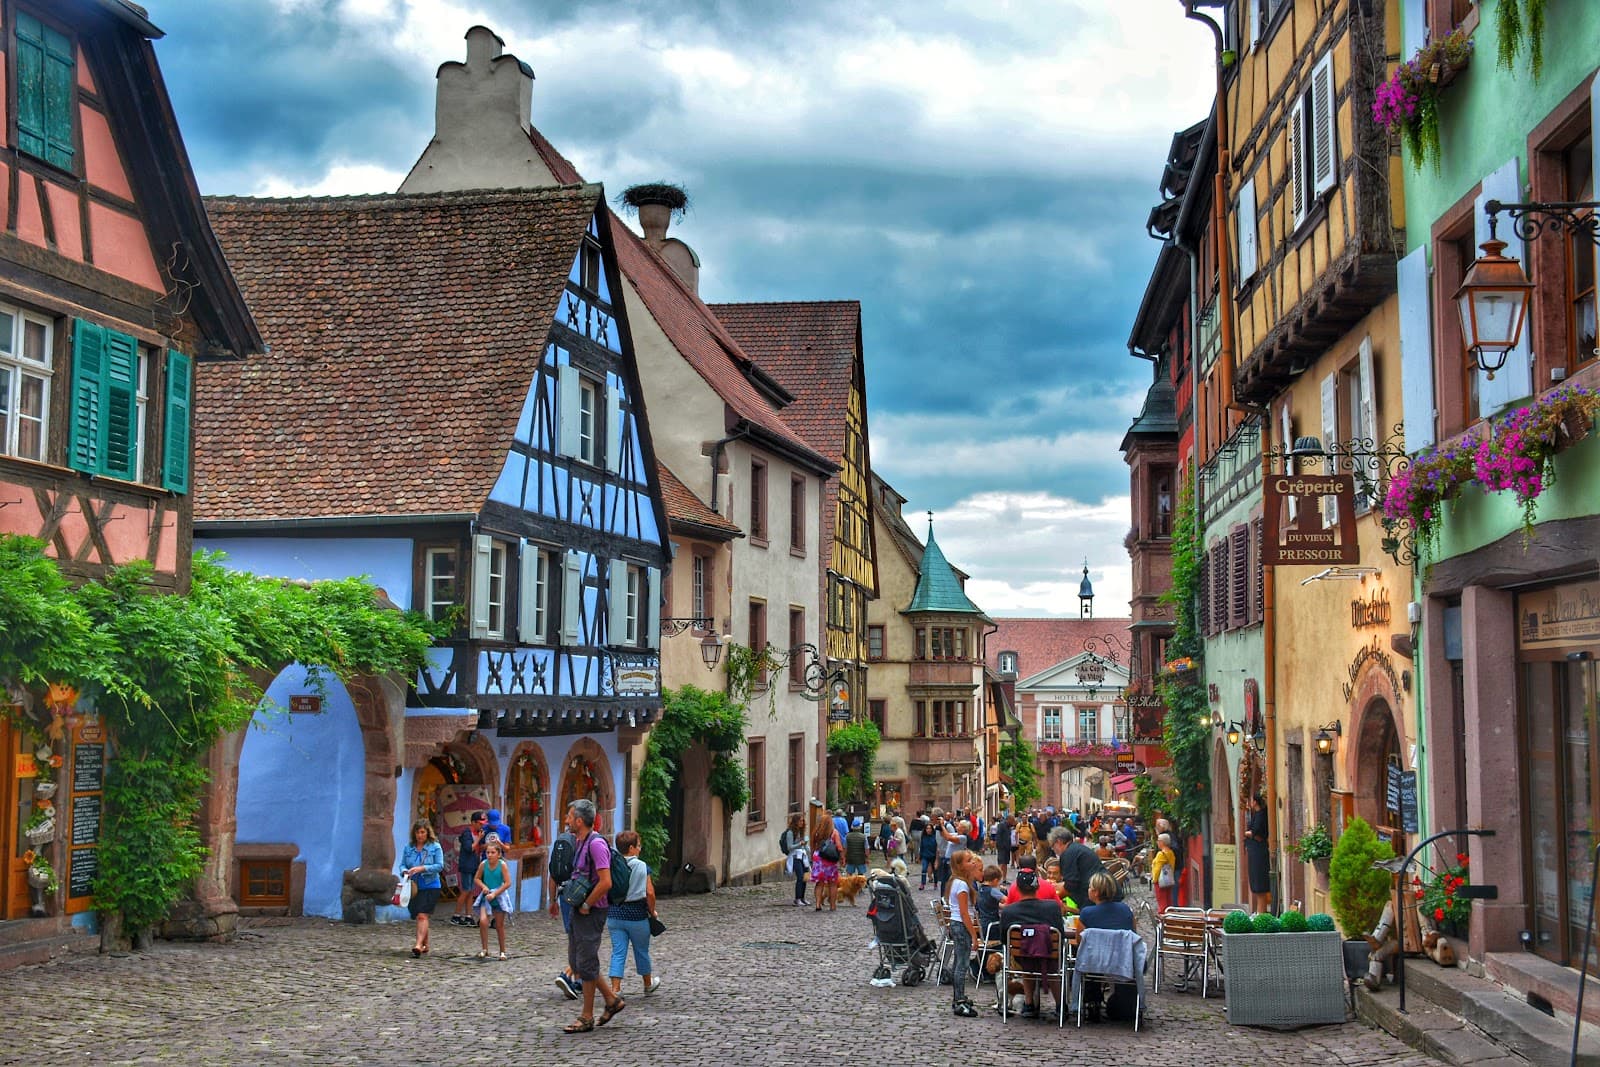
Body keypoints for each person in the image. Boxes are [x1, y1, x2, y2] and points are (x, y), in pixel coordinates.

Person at [560, 799, 626, 1034]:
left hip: (592, 910)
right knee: (579, 962)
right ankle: (611, 1000)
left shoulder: (596, 844)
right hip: (579, 910)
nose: (566, 820)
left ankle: (586, 1017)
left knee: (586, 962)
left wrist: (587, 903)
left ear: (579, 820)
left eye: (569, 816)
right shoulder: (580, 841)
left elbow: (605, 881)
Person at [998, 865, 1068, 1018]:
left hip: (1021, 958)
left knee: (1027, 952)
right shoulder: (1052, 907)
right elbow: (1060, 934)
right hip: (1050, 956)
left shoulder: (1009, 911)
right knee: (1049, 958)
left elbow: (1003, 939)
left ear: (1017, 889)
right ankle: (1060, 1005)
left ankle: (1029, 1003)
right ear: (1037, 887)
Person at [606, 830, 660, 998]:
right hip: (637, 915)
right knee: (641, 951)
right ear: (631, 848)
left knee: (618, 951)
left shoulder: (611, 864)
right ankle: (648, 984)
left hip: (615, 914)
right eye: (638, 846)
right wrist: (652, 911)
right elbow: (650, 893)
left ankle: (615, 989)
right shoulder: (642, 866)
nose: (640, 848)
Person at [400, 819, 444, 958]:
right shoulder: (409, 848)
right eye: (417, 832)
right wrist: (404, 871)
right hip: (413, 887)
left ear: (427, 832)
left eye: (422, 832)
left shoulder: (435, 847)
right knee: (418, 915)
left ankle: (418, 945)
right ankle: (426, 944)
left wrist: (422, 868)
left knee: (422, 915)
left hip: (431, 885)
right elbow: (402, 864)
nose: (420, 835)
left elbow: (439, 866)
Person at [548, 826, 582, 1000]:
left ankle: (578, 979)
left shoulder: (559, 846)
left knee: (573, 936)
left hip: (563, 893)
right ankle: (568, 975)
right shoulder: (582, 845)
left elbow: (553, 875)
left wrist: (552, 900)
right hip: (579, 894)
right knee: (582, 937)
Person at [946, 849, 981, 1017]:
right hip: (961, 925)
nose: (972, 862)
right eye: (968, 861)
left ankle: (958, 997)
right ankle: (959, 1000)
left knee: (959, 963)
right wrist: (974, 934)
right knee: (962, 964)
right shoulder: (961, 885)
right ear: (960, 866)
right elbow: (964, 912)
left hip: (957, 924)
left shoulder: (959, 882)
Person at [474, 835, 512, 959]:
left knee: (499, 925)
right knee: (483, 922)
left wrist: (495, 893)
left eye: (492, 852)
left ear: (498, 854)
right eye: (488, 852)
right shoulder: (483, 865)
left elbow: (507, 883)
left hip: (498, 897)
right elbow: (477, 878)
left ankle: (502, 951)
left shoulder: (502, 865)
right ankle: (484, 949)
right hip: (486, 896)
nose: (489, 855)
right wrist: (484, 887)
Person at [1051, 826, 1107, 905]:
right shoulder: (1077, 848)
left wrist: (1052, 900)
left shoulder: (1068, 853)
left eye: (1053, 846)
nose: (1053, 849)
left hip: (1095, 896)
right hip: (1102, 892)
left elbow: (1070, 885)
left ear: (1058, 842)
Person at [451, 811, 487, 927]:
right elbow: (469, 848)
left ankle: (468, 915)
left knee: (471, 890)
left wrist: (486, 845)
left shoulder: (479, 833)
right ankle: (456, 915)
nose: (482, 825)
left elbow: (478, 848)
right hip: (467, 865)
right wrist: (478, 839)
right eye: (480, 823)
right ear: (473, 822)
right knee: (466, 890)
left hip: (474, 864)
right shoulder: (467, 833)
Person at [811, 807, 843, 911]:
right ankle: (832, 905)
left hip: (818, 857)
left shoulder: (816, 832)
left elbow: (813, 845)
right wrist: (842, 857)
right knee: (832, 883)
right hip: (829, 859)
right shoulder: (834, 832)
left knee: (819, 883)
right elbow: (839, 846)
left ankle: (817, 904)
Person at [1243, 793, 1271, 913]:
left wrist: (1248, 833)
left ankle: (1262, 913)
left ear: (1255, 802)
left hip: (1259, 851)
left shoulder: (1260, 815)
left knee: (1260, 882)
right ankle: (1260, 912)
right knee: (1256, 881)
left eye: (1251, 801)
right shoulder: (1256, 815)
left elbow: (1256, 831)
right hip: (1255, 850)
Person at [779, 811, 809, 907]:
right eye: (800, 821)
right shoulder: (790, 833)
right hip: (795, 857)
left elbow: (803, 844)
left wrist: (806, 847)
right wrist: (799, 844)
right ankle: (797, 898)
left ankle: (803, 897)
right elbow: (789, 847)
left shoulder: (801, 831)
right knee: (800, 877)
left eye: (803, 821)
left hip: (803, 856)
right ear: (796, 822)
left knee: (805, 877)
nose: (802, 823)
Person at [1151, 831, 1179, 913]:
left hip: (1160, 881)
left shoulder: (1161, 854)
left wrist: (1154, 880)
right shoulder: (1170, 852)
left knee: (1162, 902)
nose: (1157, 842)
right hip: (1168, 879)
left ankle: (1163, 920)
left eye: (1158, 840)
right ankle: (1170, 918)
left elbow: (1157, 869)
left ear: (1162, 842)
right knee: (1168, 900)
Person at [918, 813, 939, 889]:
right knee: (924, 869)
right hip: (925, 856)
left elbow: (937, 847)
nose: (928, 830)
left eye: (930, 828)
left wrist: (937, 858)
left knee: (935, 871)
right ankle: (922, 884)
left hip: (933, 856)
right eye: (927, 828)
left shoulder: (935, 837)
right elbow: (921, 847)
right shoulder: (923, 837)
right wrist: (920, 856)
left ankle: (935, 883)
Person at [994, 814, 1013, 878]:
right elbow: (998, 836)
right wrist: (1000, 846)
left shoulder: (1009, 826)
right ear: (1008, 819)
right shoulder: (1001, 825)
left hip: (1007, 848)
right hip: (1002, 848)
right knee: (1001, 863)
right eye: (1012, 820)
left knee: (1005, 864)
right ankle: (997, 878)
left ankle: (1004, 879)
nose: (1013, 822)